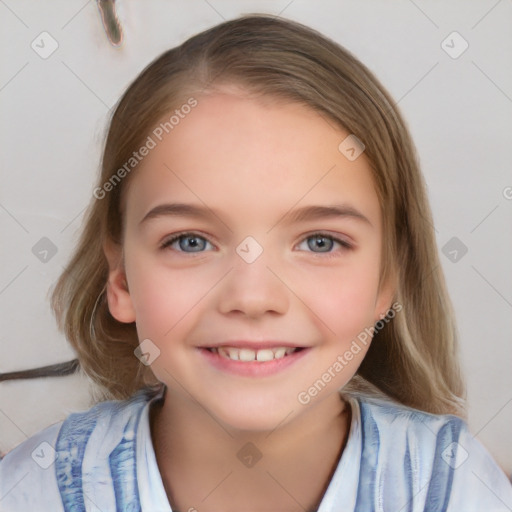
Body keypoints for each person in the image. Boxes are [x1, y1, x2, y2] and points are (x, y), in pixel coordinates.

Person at [1, 14, 510, 512]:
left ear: (387, 278)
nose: (252, 296)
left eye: (319, 242)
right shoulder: (34, 490)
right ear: (121, 280)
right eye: (190, 242)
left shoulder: (453, 486)